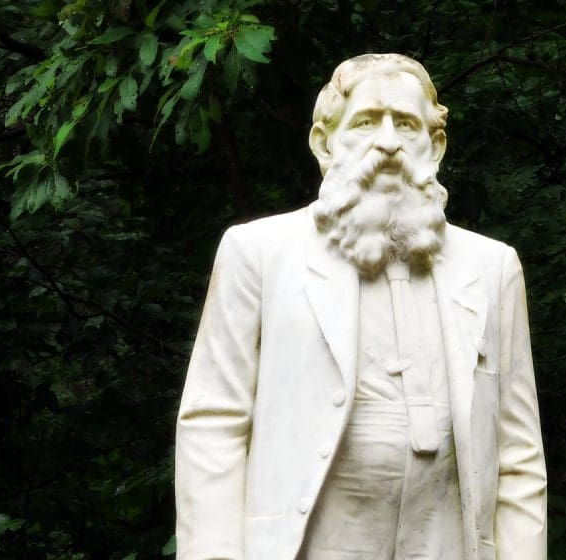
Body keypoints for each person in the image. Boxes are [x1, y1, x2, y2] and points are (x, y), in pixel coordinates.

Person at [175, 53, 547, 560]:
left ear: (435, 146)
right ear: (324, 144)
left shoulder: (492, 267)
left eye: (407, 124)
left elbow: (518, 457)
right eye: (367, 122)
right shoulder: (259, 253)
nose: (389, 143)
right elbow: (213, 422)